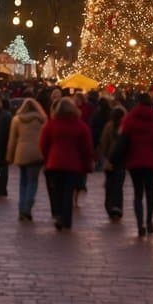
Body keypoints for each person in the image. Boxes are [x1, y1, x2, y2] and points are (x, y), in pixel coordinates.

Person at [39, 98, 95, 231]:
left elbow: (43, 144)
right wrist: (86, 163)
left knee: (57, 191)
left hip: (54, 163)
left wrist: (48, 158)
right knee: (68, 193)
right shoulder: (80, 126)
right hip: (73, 164)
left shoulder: (51, 125)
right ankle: (66, 220)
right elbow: (86, 147)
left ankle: (58, 216)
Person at [120, 92, 153, 237]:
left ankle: (140, 223)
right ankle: (149, 221)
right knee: (150, 193)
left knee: (137, 194)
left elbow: (124, 142)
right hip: (151, 164)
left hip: (134, 163)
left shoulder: (129, 123)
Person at [7, 98, 48, 221]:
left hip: (21, 153)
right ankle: (27, 208)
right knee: (32, 182)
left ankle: (21, 209)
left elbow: (12, 140)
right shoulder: (43, 120)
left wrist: (9, 156)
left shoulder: (17, 120)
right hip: (37, 154)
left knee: (23, 182)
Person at [99, 106, 127, 220]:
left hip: (109, 160)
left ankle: (109, 206)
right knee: (118, 185)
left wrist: (105, 156)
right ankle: (117, 207)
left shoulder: (108, 127)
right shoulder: (124, 127)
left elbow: (103, 143)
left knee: (110, 184)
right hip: (121, 160)